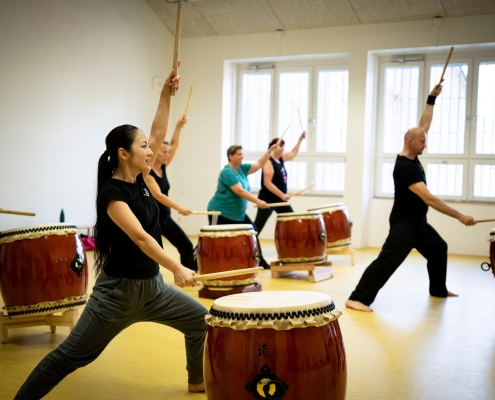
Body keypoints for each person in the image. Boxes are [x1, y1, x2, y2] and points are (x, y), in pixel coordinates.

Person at [14, 68, 208, 399]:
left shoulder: (144, 180)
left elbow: (160, 128)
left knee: (200, 320)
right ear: (123, 153)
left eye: (151, 146)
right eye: (144, 146)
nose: (152, 150)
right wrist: (177, 266)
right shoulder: (111, 193)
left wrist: (165, 92)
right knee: (69, 357)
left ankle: (196, 381)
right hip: (117, 296)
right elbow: (141, 238)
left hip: (154, 290)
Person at [345, 83, 476, 313]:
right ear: (410, 142)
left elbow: (424, 125)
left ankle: (438, 289)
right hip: (405, 224)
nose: (426, 143)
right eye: (423, 141)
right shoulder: (405, 167)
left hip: (419, 223)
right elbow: (430, 199)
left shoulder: (414, 150)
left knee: (438, 248)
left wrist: (431, 98)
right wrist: (460, 216)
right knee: (388, 261)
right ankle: (357, 298)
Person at [207, 144, 277, 269]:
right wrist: (258, 201)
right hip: (220, 212)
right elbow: (239, 191)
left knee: (252, 232)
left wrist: (269, 152)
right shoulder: (227, 172)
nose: (242, 157)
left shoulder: (242, 169)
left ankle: (260, 261)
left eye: (242, 154)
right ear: (231, 156)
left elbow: (260, 164)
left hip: (237, 214)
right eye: (239, 154)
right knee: (212, 240)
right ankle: (194, 262)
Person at [145, 115, 197, 271]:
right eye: (163, 152)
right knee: (154, 253)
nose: (167, 154)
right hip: (152, 219)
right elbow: (158, 196)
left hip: (165, 218)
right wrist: (179, 207)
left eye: (167, 152)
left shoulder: (163, 167)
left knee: (186, 245)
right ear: (155, 152)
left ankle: (190, 274)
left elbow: (174, 145)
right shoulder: (147, 174)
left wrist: (178, 127)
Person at [254, 131, 306, 235]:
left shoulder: (280, 159)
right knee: (258, 226)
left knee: (292, 220)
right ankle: (248, 245)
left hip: (279, 200)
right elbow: (267, 183)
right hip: (267, 200)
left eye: (283, 146)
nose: (283, 148)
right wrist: (282, 195)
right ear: (273, 147)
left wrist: (300, 139)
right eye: (280, 146)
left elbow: (294, 153)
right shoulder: (268, 162)